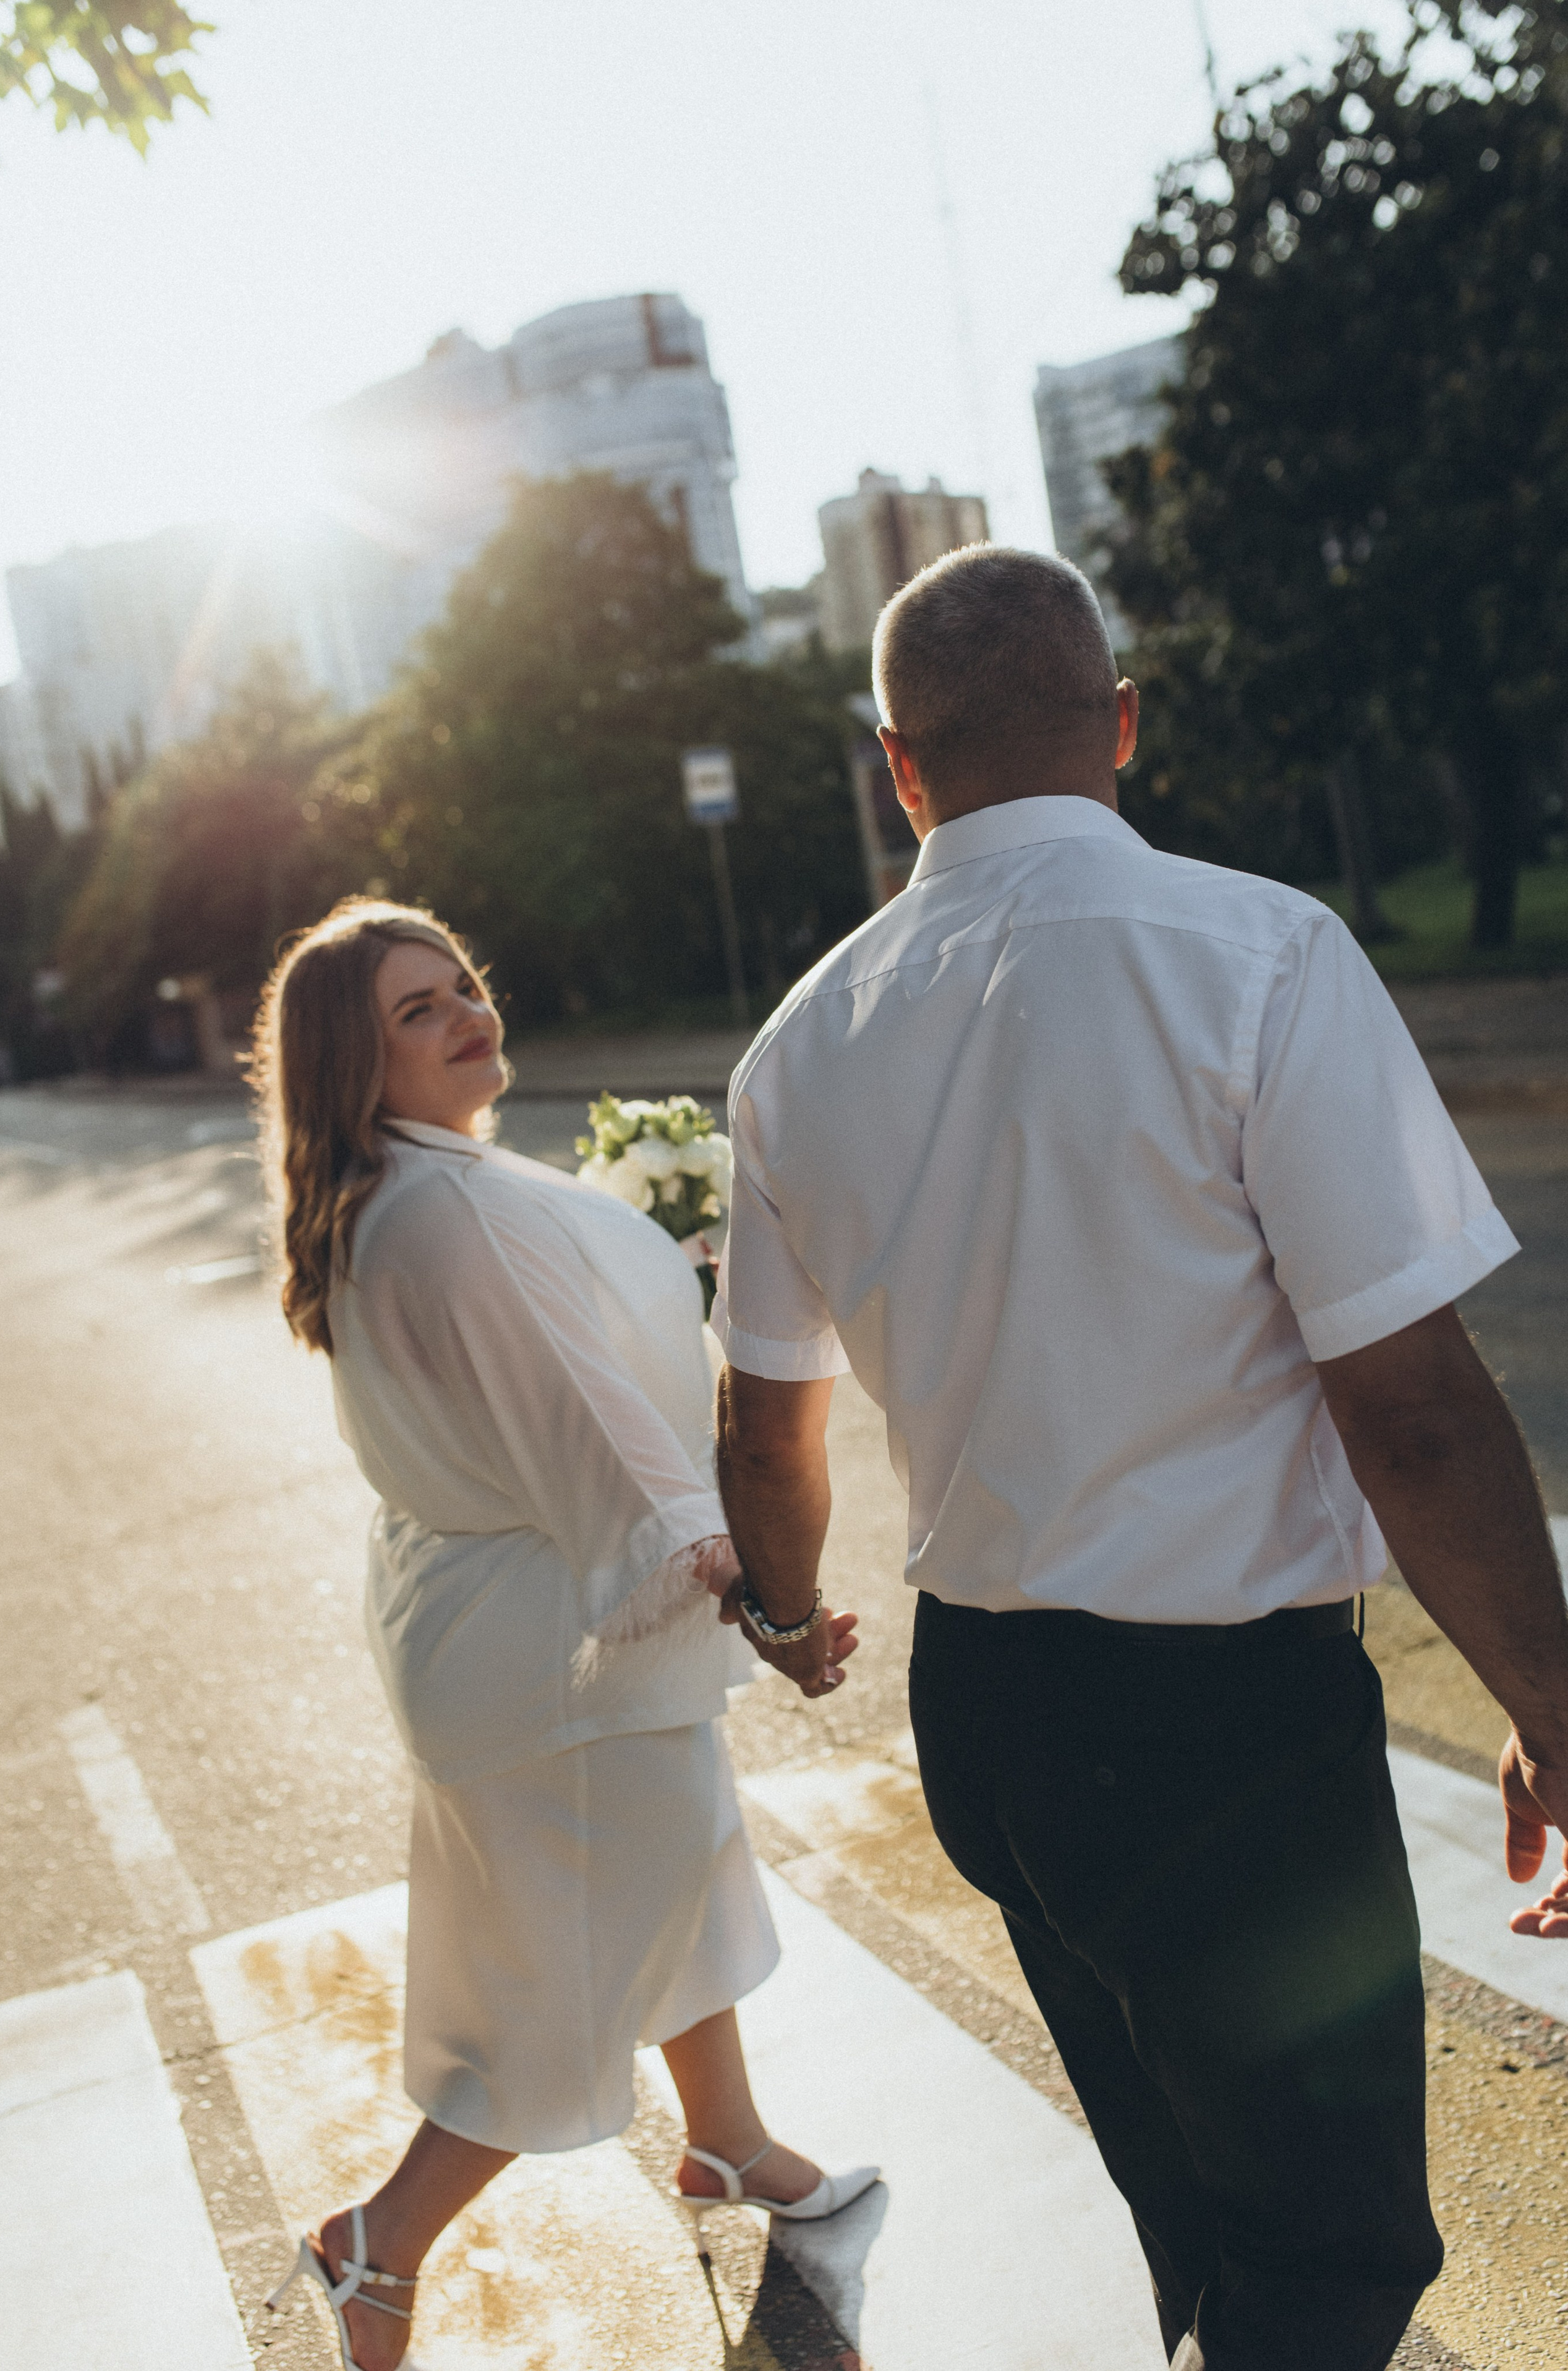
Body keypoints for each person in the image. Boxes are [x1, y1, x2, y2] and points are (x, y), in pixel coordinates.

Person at [708, 547, 1568, 2371]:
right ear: (1119, 718)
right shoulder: (1257, 954)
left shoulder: (794, 1048)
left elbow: (763, 1423)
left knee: (1202, 2206)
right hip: (1226, 1734)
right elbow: (1409, 1403)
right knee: (1330, 2259)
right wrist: (1555, 1701)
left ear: (898, 763)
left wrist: (782, 1613)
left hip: (995, 1715)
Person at [250, 898, 876, 2371]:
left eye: (462, 982)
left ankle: (725, 2144)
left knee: (677, 1877)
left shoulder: (404, 1187)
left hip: (503, 1634)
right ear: (353, 1058)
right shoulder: (446, 1208)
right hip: (563, 1647)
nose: (466, 1008)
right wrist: (754, 1590)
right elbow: (587, 1424)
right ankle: (376, 2246)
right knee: (569, 1965)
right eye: (416, 1008)